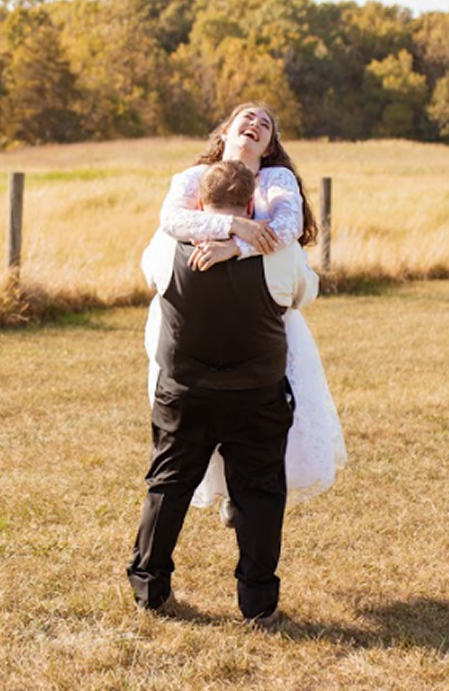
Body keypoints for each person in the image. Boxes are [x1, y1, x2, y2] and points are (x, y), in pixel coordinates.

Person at [128, 158, 320, 626]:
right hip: (255, 393)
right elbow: (303, 294)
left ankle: (150, 590)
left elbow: (152, 279)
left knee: (168, 486)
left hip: (184, 391)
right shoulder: (277, 249)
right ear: (252, 203)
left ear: (197, 202)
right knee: (258, 495)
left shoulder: (164, 244)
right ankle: (258, 606)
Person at [145, 102, 346, 515]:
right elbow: (171, 220)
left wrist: (232, 249)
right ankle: (218, 486)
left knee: (258, 408)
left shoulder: (276, 179)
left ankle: (244, 493)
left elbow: (287, 228)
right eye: (247, 118)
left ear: (269, 146)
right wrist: (235, 225)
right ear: (225, 133)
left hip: (262, 314)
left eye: (265, 124)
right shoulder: (193, 178)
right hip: (195, 313)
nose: (255, 124)